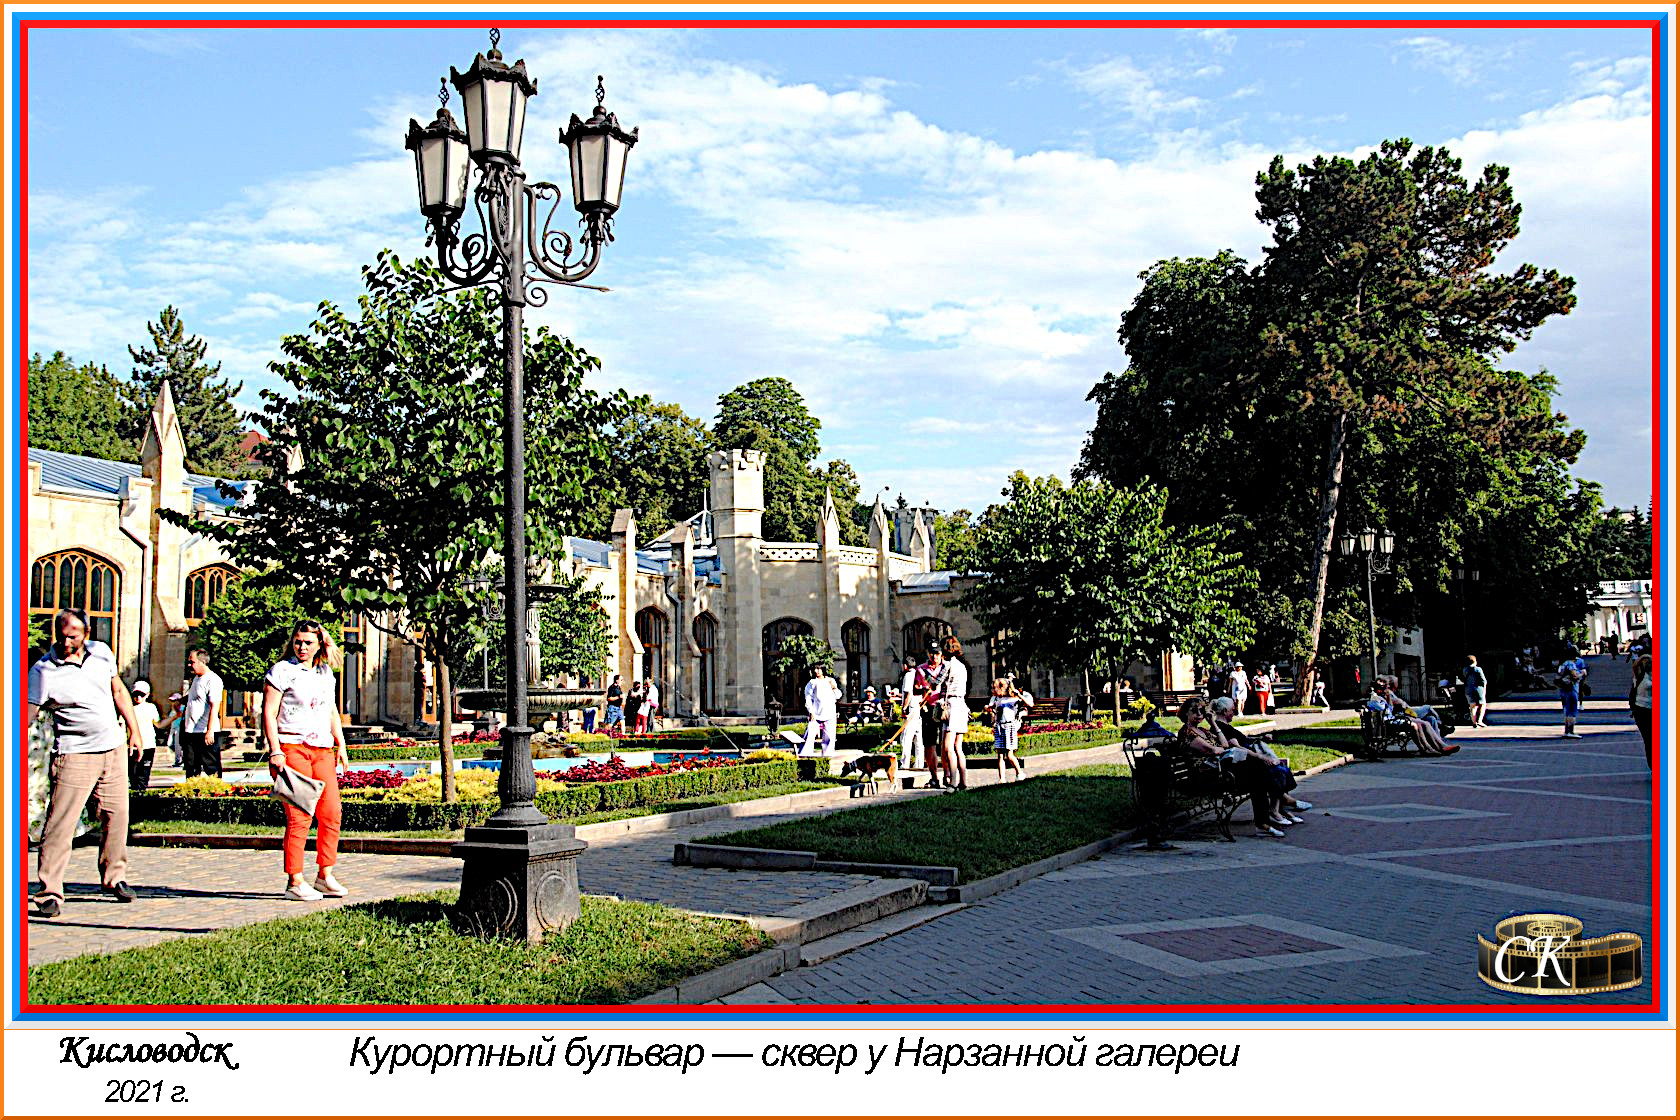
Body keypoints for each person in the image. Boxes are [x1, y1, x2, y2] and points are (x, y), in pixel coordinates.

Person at [27, 608, 148, 918]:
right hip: (74, 754)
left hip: (112, 749)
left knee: (117, 817)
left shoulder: (101, 653)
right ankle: (49, 891)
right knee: (60, 824)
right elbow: (27, 713)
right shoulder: (43, 671)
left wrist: (134, 731)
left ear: (87, 634)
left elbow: (118, 690)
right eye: (62, 635)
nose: (67, 642)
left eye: (73, 636)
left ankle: (114, 877)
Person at [264, 619, 351, 901]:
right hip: (292, 747)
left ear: (319, 645)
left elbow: (331, 710)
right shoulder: (281, 671)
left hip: (322, 748)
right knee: (300, 815)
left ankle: (325, 874)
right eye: (298, 642)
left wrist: (341, 743)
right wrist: (275, 750)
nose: (302, 647)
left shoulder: (325, 673)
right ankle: (295, 880)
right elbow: (269, 712)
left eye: (308, 643)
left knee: (332, 812)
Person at [1176, 696, 1286, 837]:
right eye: (1194, 711)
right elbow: (1214, 750)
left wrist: (1213, 723)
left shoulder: (1203, 730)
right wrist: (1221, 750)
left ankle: (1265, 820)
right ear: (1186, 713)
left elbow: (1224, 744)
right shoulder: (1187, 733)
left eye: (1202, 711)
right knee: (1258, 775)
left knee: (1258, 775)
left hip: (1219, 771)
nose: (1199, 714)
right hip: (1205, 777)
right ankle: (1267, 818)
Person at [1211, 696, 1312, 814]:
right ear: (1225, 711)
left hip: (1246, 762)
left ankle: (1280, 808)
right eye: (1232, 710)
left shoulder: (1225, 726)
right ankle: (1282, 805)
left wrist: (1260, 738)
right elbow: (1237, 748)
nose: (1234, 713)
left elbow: (1243, 740)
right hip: (1240, 768)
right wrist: (1260, 757)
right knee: (1273, 771)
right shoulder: (1221, 728)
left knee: (1278, 767)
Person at [181, 648, 224, 778]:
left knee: (211, 766)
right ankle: (192, 789)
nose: (189, 665)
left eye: (192, 662)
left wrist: (210, 731)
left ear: (202, 662)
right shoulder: (196, 679)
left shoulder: (213, 680)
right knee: (191, 765)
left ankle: (215, 789)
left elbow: (214, 706)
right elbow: (194, 698)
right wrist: (179, 700)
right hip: (191, 730)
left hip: (205, 731)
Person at [937, 636, 971, 790]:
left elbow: (935, 682)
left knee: (948, 747)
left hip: (951, 705)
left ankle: (953, 782)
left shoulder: (947, 665)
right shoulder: (962, 666)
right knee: (958, 747)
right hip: (961, 704)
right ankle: (963, 781)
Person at [987, 677, 1027, 782]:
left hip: (1009, 727)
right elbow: (991, 709)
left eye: (995, 688)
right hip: (999, 727)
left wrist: (1018, 695)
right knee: (1000, 755)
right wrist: (989, 709)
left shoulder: (1012, 699)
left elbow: (1029, 704)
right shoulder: (996, 699)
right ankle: (1002, 779)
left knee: (1009, 755)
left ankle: (1019, 773)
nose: (993, 690)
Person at [127, 680, 162, 792]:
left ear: (147, 695)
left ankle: (141, 794)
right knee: (133, 774)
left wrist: (174, 717)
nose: (138, 697)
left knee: (143, 774)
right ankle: (135, 793)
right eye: (136, 694)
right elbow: (122, 724)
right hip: (133, 746)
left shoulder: (151, 707)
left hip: (148, 745)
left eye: (141, 695)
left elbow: (158, 724)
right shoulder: (129, 708)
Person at [801, 664, 841, 756]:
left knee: (829, 736)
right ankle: (804, 754)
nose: (816, 671)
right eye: (815, 669)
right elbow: (808, 698)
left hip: (830, 712)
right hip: (816, 712)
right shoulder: (812, 682)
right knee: (810, 734)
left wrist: (833, 687)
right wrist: (811, 711)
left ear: (823, 669)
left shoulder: (830, 680)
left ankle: (827, 755)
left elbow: (838, 695)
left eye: (818, 669)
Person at [897, 656, 926, 772]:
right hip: (918, 707)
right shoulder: (920, 674)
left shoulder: (908, 675)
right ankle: (919, 763)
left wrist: (904, 708)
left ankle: (904, 763)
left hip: (911, 708)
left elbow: (908, 693)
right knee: (918, 738)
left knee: (906, 738)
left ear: (905, 665)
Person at [1630, 654, 1653, 768]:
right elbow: (1635, 665)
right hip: (1641, 710)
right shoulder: (1640, 675)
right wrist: (1644, 656)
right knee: (1649, 739)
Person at [1557, 656, 1583, 739]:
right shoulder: (1570, 664)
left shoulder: (1563, 664)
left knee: (1567, 711)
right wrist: (1582, 673)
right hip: (1571, 689)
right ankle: (1570, 731)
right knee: (1572, 711)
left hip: (1563, 689)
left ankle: (1566, 731)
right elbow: (1574, 676)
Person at [1463, 654, 1489, 728]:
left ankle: (1474, 722)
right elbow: (1483, 680)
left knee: (1472, 706)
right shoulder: (1478, 669)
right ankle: (1480, 720)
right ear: (1475, 661)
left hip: (1468, 690)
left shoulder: (1465, 670)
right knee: (1482, 704)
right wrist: (1484, 689)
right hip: (1478, 689)